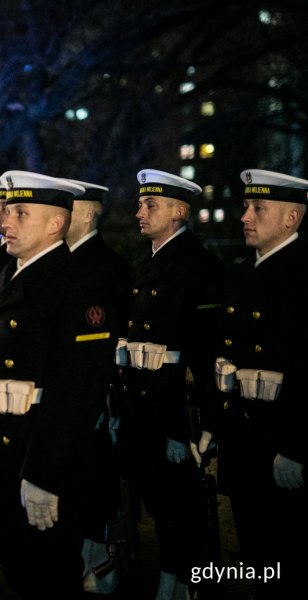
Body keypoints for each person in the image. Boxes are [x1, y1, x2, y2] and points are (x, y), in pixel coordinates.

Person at [0, 171, 115, 599]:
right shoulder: (10, 275)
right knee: (19, 573)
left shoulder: (80, 284)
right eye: (8, 211)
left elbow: (77, 393)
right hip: (1, 456)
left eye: (20, 213)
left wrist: (43, 476)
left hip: (43, 464)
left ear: (55, 224)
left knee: (48, 579)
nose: (5, 221)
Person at [121, 169, 225, 600]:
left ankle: (186, 583)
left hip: (175, 415)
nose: (139, 212)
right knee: (159, 507)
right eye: (142, 204)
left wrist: (192, 428)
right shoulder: (149, 264)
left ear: (180, 212)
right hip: (146, 412)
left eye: (151, 205)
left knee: (183, 512)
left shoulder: (198, 268)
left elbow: (206, 355)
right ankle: (172, 577)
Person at [213, 169, 308, 599]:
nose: (244, 216)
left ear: (291, 218)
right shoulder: (243, 273)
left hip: (281, 452)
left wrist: (296, 447)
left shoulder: (302, 274)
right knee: (255, 558)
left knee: (285, 558)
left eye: (258, 208)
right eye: (247, 207)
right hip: (244, 445)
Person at [64, 178, 131, 594]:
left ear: (88, 213)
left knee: (93, 485)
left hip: (93, 400)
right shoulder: (61, 262)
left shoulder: (107, 266)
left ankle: (100, 560)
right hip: (66, 399)